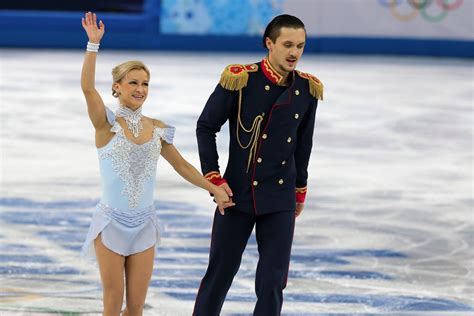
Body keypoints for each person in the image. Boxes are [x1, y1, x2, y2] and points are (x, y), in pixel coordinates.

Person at [79, 12, 234, 316]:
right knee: (112, 304)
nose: (140, 89)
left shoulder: (157, 128)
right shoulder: (105, 124)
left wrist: (213, 187)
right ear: (117, 87)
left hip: (144, 225)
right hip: (111, 224)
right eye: (133, 82)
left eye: (145, 84)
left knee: (135, 308)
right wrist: (92, 46)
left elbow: (183, 166)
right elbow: (87, 89)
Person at [193, 14, 324, 315]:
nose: (294, 53)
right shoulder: (241, 79)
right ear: (269, 44)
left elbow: (304, 145)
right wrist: (213, 177)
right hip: (236, 193)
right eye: (288, 45)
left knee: (272, 281)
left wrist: (299, 190)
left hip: (280, 197)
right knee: (220, 275)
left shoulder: (307, 89)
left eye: (300, 46)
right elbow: (206, 126)